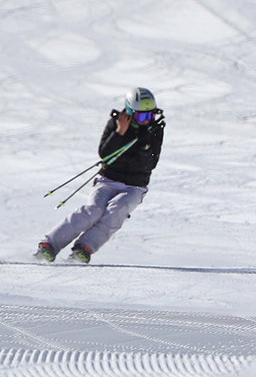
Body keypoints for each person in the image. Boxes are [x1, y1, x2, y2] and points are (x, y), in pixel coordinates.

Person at [34, 87, 165, 264]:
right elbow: (104, 153)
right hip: (108, 180)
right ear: (129, 112)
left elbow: (151, 163)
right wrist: (120, 133)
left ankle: (84, 248)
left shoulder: (154, 131)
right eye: (142, 117)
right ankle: (49, 245)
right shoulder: (116, 124)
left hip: (134, 186)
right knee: (93, 211)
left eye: (150, 116)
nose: (146, 121)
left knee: (116, 212)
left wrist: (144, 144)